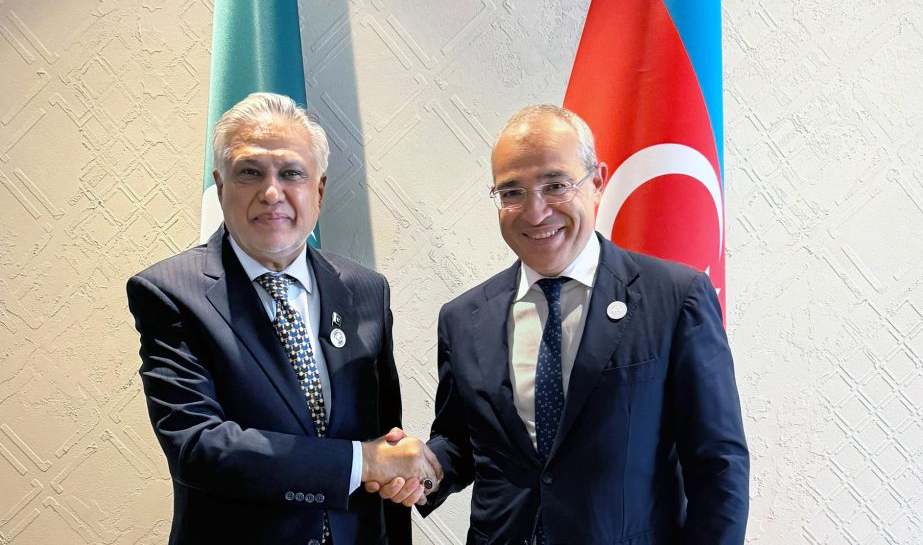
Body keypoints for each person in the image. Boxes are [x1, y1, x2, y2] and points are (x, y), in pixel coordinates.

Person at [372, 104, 749, 543]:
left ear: (597, 182)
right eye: (512, 192)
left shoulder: (674, 298)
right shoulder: (463, 318)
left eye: (555, 185)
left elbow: (719, 465)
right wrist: (424, 468)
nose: (535, 213)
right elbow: (462, 441)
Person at [127, 92, 440, 545]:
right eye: (250, 172)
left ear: (319, 190)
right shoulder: (170, 293)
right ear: (221, 186)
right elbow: (198, 447)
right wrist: (363, 462)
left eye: (292, 173)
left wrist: (398, 470)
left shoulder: (367, 289)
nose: (272, 193)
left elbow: (382, 440)